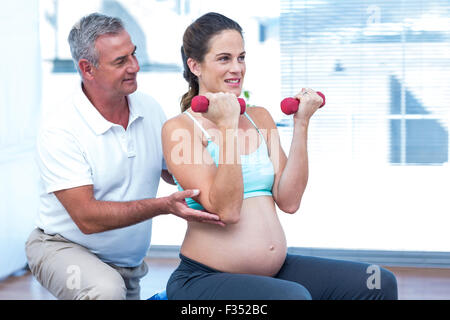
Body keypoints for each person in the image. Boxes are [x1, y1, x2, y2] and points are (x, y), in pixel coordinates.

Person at [162, 12, 398, 300]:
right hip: (203, 279)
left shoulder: (259, 117)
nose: (237, 68)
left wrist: (301, 124)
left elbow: (289, 200)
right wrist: (227, 128)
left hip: (273, 272)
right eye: (224, 58)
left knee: (377, 282)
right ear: (195, 65)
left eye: (241, 57)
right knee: (292, 297)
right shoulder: (180, 129)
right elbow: (227, 211)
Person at [25, 12, 222, 300]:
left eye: (133, 54)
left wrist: (219, 140)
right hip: (60, 249)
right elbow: (87, 218)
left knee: (112, 288)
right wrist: (164, 206)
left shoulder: (149, 108)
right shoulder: (60, 127)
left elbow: (175, 172)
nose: (135, 66)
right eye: (121, 61)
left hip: (127, 266)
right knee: (105, 290)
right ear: (87, 69)